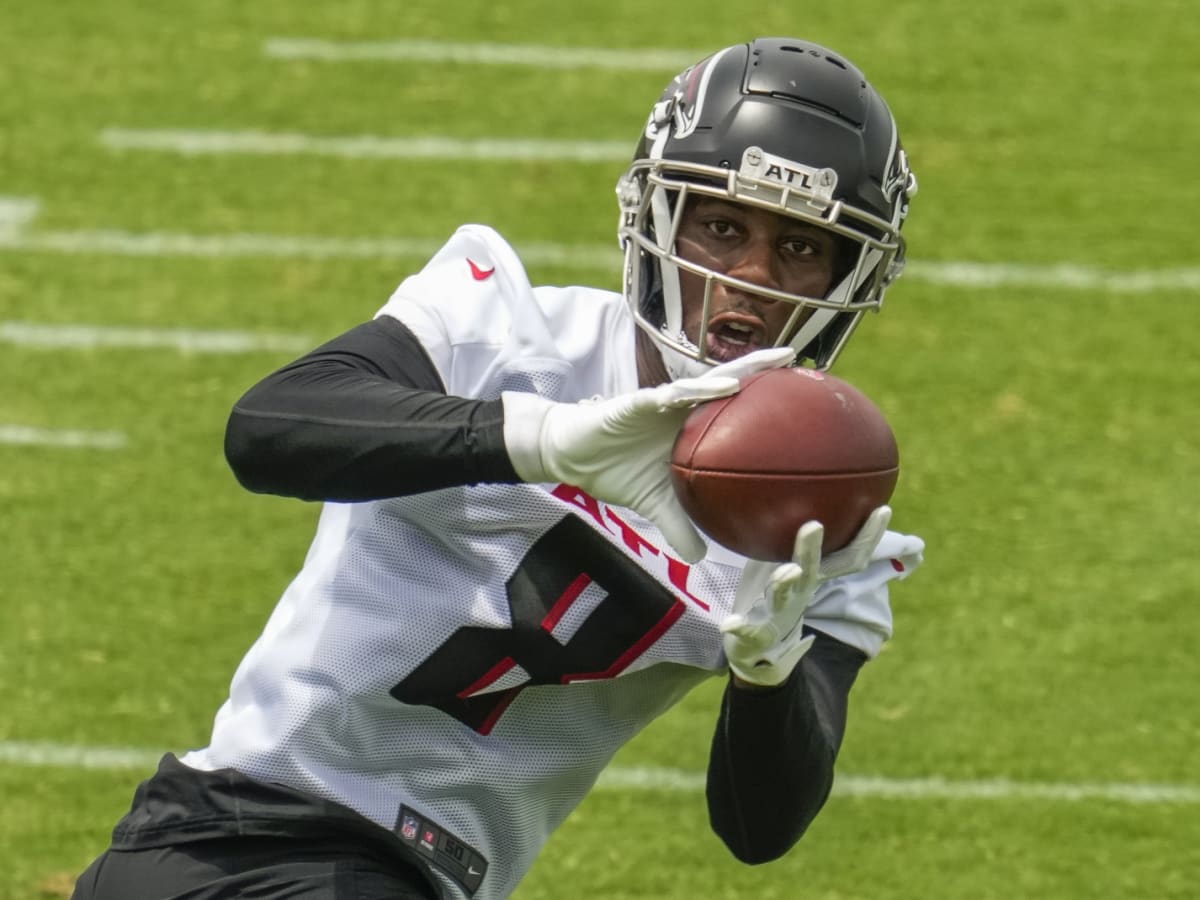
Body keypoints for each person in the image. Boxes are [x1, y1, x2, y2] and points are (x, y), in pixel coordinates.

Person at [73, 36, 923, 900]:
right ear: (657, 217)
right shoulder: (512, 332)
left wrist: (768, 672)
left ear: (855, 273)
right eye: (722, 227)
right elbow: (268, 428)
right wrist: (540, 438)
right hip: (233, 832)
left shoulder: (826, 514)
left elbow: (760, 827)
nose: (751, 276)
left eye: (802, 249)